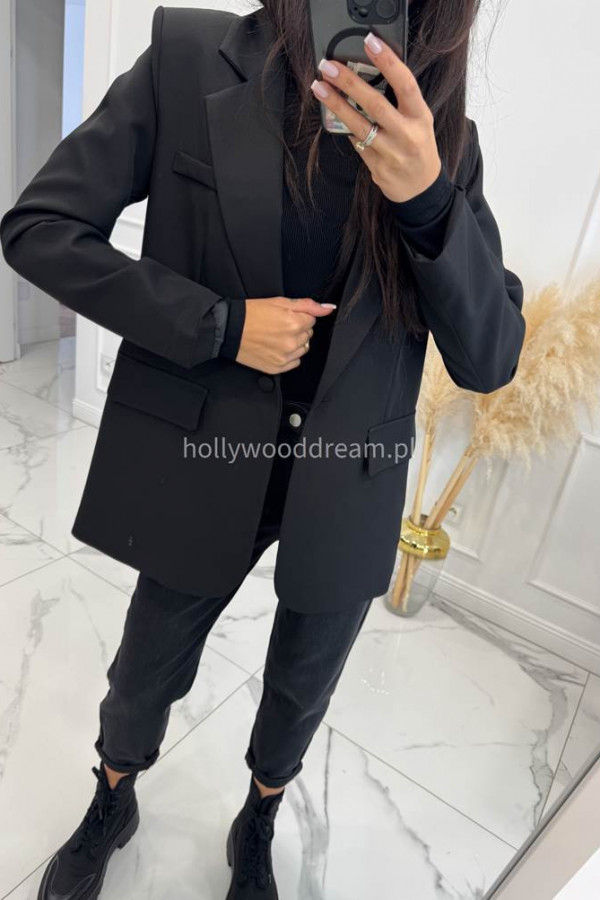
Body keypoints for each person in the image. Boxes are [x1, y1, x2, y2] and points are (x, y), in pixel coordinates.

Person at [0, 2, 526, 898]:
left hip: (350, 479)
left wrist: (430, 201)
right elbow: (38, 229)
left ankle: (260, 819)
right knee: (144, 672)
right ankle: (112, 797)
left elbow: (490, 358)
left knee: (301, 689)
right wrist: (218, 324)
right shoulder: (189, 59)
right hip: (206, 451)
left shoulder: (442, 144)